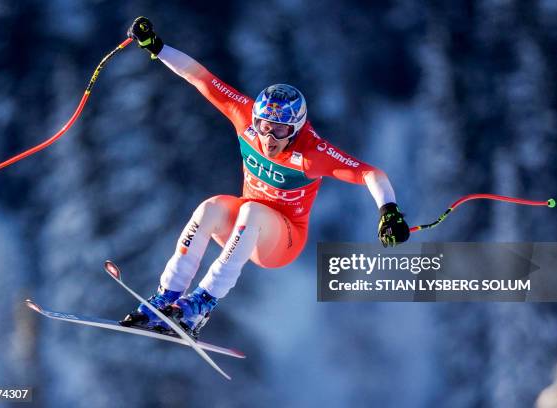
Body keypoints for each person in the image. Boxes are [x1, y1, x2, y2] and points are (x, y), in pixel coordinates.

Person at [120, 17, 410, 337]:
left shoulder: (311, 154)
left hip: (281, 243)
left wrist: (389, 210)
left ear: (296, 129)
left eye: (282, 130)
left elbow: (370, 173)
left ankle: (201, 304)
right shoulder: (245, 117)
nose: (270, 138)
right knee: (211, 207)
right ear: (256, 119)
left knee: (252, 210)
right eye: (264, 127)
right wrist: (157, 48)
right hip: (243, 231)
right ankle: (166, 297)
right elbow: (199, 77)